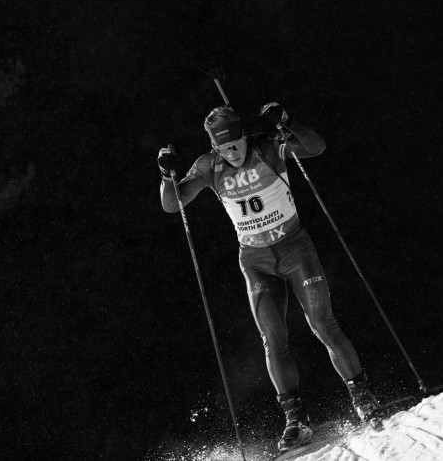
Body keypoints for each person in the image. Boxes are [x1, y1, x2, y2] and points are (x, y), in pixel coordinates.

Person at [157, 102, 381, 451]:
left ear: (244, 136)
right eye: (223, 147)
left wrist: (287, 122)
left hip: (295, 249)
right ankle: (296, 421)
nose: (232, 152)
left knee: (323, 325)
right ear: (214, 146)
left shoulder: (266, 147)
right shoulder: (208, 166)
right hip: (256, 260)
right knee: (273, 340)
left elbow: (316, 147)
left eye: (235, 144)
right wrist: (165, 174)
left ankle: (363, 399)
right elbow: (172, 203)